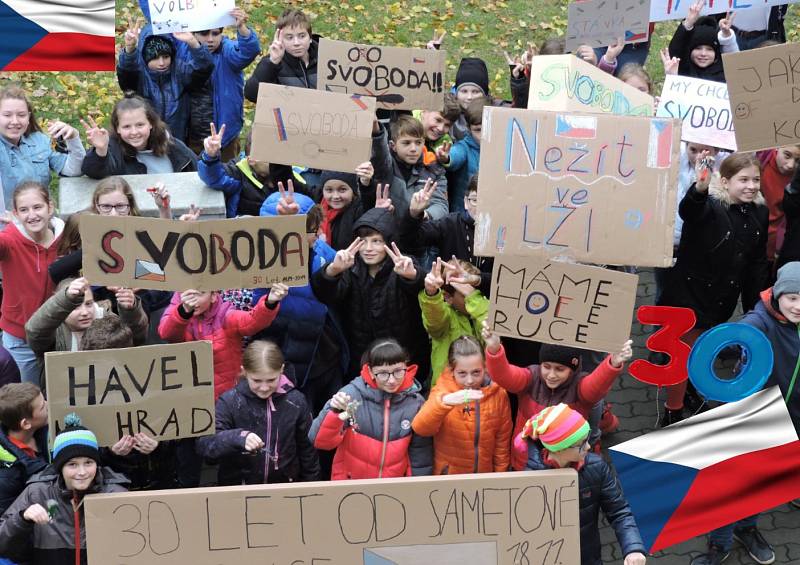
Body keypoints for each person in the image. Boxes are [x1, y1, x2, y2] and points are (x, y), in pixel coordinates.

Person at [658, 152, 768, 424]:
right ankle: (673, 412)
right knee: (684, 353)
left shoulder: (760, 212)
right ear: (726, 181)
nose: (751, 186)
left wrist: (755, 306)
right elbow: (689, 210)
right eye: (743, 180)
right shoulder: (709, 205)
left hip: (721, 299)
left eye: (756, 179)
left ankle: (692, 393)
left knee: (702, 350)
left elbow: (756, 262)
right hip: (690, 296)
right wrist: (699, 188)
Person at [482, 320, 634, 469]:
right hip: (527, 460)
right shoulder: (530, 377)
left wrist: (613, 363)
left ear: (572, 370)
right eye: (546, 367)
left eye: (560, 369)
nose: (551, 375)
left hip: (568, 464)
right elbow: (503, 375)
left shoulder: (580, 386)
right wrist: (494, 348)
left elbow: (597, 385)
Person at [311, 207, 431, 382]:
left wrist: (412, 276)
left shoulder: (403, 264)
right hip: (362, 364)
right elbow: (327, 295)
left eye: (376, 241)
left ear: (389, 242)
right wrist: (332, 271)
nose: (368, 248)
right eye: (363, 241)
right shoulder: (349, 267)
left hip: (404, 362)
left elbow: (426, 289)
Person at [522, 404, 647, 565]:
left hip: (587, 558)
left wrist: (633, 548)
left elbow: (619, 511)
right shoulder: (527, 480)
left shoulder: (596, 467)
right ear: (559, 448)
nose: (588, 447)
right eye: (580, 444)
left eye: (586, 439)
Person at [0, 414, 129, 565]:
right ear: (60, 467)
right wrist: (22, 519)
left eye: (88, 462)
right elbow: (4, 547)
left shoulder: (116, 495)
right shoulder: (37, 493)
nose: (82, 472)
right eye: (72, 464)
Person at [197, 340, 321, 485]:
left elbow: (307, 450)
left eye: (271, 380)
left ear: (281, 369)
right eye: (256, 380)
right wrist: (239, 437)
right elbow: (205, 444)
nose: (264, 387)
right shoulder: (229, 401)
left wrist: (312, 485)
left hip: (285, 488)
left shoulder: (296, 401)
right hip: (238, 490)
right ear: (245, 371)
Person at [310, 338, 433, 479]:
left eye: (398, 371)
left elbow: (420, 456)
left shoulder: (415, 403)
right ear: (369, 370)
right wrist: (334, 413)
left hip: (393, 489)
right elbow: (320, 441)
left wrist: (415, 489)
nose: (392, 380)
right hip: (351, 488)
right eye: (383, 373)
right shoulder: (351, 395)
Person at [158, 283, 287, 400]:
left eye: (200, 293)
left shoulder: (225, 315)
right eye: (188, 294)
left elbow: (252, 321)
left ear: (213, 295)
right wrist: (183, 312)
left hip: (225, 397)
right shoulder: (175, 310)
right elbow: (167, 333)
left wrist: (269, 303)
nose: (193, 300)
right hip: (191, 395)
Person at [412, 335, 511, 475]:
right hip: (450, 479)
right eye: (462, 373)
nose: (470, 380)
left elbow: (502, 443)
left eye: (476, 372)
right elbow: (421, 428)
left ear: (485, 367)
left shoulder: (498, 394)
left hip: (484, 477)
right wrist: (444, 402)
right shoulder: (443, 390)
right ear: (452, 370)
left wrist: (501, 475)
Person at [25, 277, 148, 388]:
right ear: (63, 307)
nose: (84, 312)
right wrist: (65, 298)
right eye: (75, 307)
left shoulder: (108, 319)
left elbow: (136, 340)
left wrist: (131, 311)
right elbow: (35, 331)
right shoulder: (55, 333)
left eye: (88, 304)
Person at [0, 182, 64, 384]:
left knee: (58, 398)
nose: (32, 215)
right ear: (16, 214)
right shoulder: (9, 240)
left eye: (37, 207)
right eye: (24, 210)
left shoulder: (65, 238)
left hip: (59, 335)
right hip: (21, 338)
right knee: (29, 400)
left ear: (50, 207)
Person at [116, 20, 213, 142]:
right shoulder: (139, 73)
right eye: (155, 58)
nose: (161, 63)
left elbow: (204, 68)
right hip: (145, 140)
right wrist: (130, 50)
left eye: (166, 57)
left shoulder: (179, 70)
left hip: (178, 138)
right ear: (145, 57)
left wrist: (194, 43)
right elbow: (126, 74)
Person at [186, 7, 260, 160]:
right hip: (191, 135)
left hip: (224, 136)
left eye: (215, 33)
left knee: (226, 175)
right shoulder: (185, 52)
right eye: (204, 34)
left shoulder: (227, 51)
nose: (210, 39)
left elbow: (248, 52)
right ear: (193, 34)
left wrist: (242, 28)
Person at [0, 85, 85, 211]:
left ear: (29, 117)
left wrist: (73, 137)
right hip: (8, 226)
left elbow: (74, 170)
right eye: (7, 115)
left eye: (21, 115)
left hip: (43, 221)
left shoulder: (40, 140)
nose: (15, 121)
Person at [198, 126, 307, 218]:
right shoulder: (238, 174)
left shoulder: (294, 175)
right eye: (267, 154)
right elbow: (214, 177)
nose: (275, 160)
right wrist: (210, 157)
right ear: (251, 160)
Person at [81, 94, 198, 178]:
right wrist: (101, 150)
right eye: (127, 127)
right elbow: (93, 171)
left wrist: (210, 155)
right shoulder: (112, 149)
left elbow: (198, 169)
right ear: (118, 129)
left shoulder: (173, 145)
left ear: (151, 124)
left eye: (140, 125)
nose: (134, 132)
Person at [419, 257, 488, 384]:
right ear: (448, 297)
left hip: (480, 385)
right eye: (465, 293)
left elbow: (492, 326)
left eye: (475, 292)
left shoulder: (481, 306)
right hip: (447, 389)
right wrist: (432, 294)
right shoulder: (446, 315)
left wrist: (474, 297)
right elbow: (435, 321)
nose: (472, 296)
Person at [372, 116, 449, 225]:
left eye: (418, 143)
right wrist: (376, 131)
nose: (413, 149)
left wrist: (423, 214)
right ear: (393, 146)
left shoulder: (434, 167)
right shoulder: (385, 165)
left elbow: (441, 206)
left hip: (420, 231)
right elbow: (379, 154)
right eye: (406, 143)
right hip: (388, 231)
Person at [244, 8, 318, 102]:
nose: (296, 43)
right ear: (280, 39)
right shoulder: (273, 62)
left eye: (302, 36)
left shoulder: (325, 58)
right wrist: (273, 63)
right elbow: (251, 95)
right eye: (289, 37)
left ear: (310, 37)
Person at [0, 383, 48, 514]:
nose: (48, 404)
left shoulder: (43, 430)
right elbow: (7, 522)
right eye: (43, 407)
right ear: (26, 424)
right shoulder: (6, 476)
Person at [435, 96, 486, 213]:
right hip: (464, 215)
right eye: (478, 130)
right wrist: (446, 157)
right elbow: (456, 155)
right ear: (469, 129)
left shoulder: (502, 148)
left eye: (488, 128)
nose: (483, 134)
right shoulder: (465, 147)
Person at [315, 165, 380, 251]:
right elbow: (293, 181)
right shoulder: (317, 201)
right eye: (329, 190)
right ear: (322, 190)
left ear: (353, 191)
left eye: (342, 189)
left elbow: (368, 201)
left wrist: (366, 184)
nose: (335, 196)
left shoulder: (358, 208)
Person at [669, 4, 738, 82]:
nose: (703, 53)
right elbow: (676, 51)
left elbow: (735, 61)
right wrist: (687, 24)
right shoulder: (683, 68)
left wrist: (726, 36)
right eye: (698, 48)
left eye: (709, 49)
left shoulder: (724, 73)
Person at [758, 145, 800, 274]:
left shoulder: (797, 181)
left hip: (780, 248)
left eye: (798, 160)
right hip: (753, 241)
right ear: (776, 148)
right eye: (787, 155)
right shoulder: (759, 163)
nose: (791, 165)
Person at [412, 93, 461, 166]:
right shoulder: (406, 125)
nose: (441, 128)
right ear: (424, 112)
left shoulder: (444, 142)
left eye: (447, 125)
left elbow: (450, 160)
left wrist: (445, 159)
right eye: (438, 120)